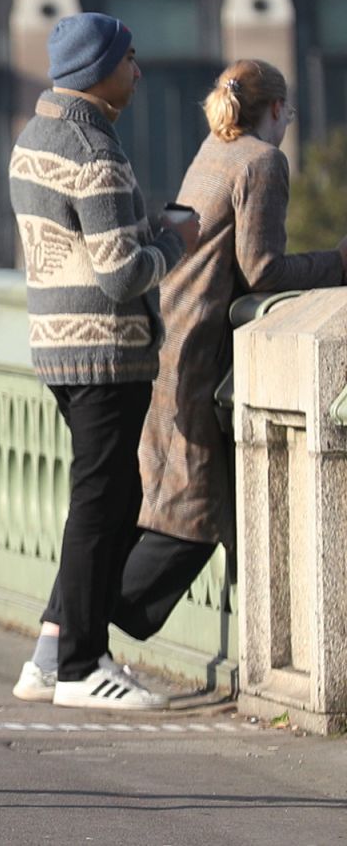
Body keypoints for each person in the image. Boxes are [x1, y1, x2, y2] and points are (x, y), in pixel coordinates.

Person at [7, 13, 200, 710]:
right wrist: (178, 239)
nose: (139, 71)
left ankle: (51, 652)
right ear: (102, 69)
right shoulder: (95, 150)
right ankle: (82, 667)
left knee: (101, 499)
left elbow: (85, 242)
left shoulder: (32, 140)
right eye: (131, 59)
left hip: (57, 343)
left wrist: (143, 231)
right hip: (107, 350)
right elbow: (122, 274)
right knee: (102, 505)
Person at [127, 61, 346, 640]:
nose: (290, 121)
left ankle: (79, 634)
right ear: (275, 110)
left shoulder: (214, 150)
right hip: (200, 352)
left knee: (173, 497)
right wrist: (340, 263)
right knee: (190, 513)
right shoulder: (262, 161)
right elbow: (264, 270)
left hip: (172, 334)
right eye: (289, 111)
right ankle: (87, 629)